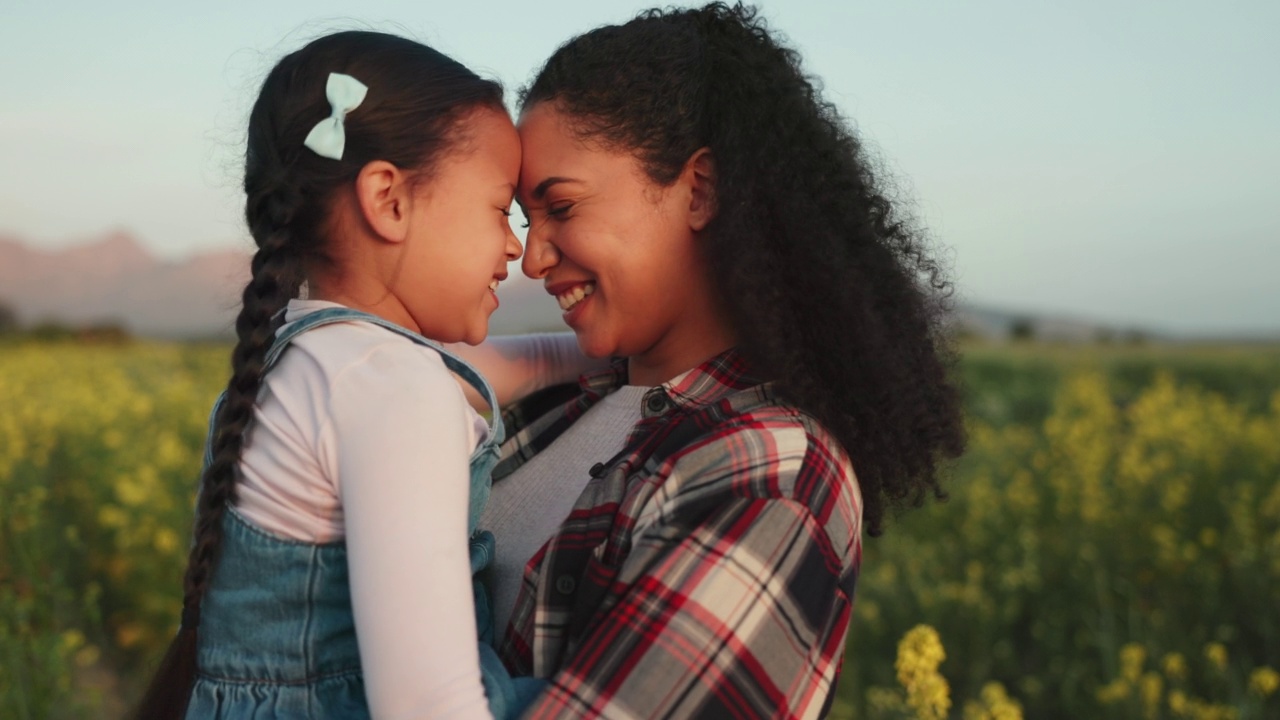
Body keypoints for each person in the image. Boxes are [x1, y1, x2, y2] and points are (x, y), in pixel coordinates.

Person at [464, 3, 967, 717]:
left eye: (563, 209)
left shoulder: (770, 474)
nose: (533, 256)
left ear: (699, 189)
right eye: (524, 219)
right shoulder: (559, 397)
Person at [135, 30, 582, 720]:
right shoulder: (388, 385)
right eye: (500, 209)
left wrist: (618, 348)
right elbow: (428, 706)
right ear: (389, 201)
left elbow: (516, 363)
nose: (516, 248)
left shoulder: (316, 354)